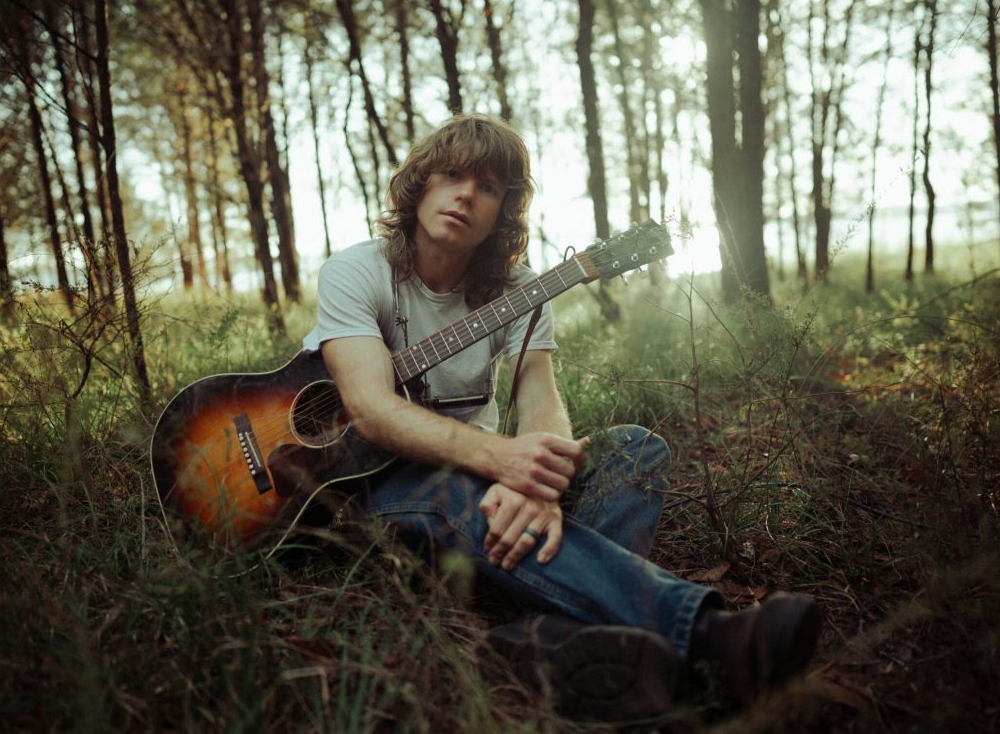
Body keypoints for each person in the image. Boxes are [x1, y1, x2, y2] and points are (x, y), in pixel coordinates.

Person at [301, 113, 820, 721]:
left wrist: (539, 480)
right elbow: (370, 409)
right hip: (373, 481)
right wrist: (505, 461)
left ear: (503, 210)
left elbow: (539, 396)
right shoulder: (357, 271)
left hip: (488, 476)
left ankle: (543, 640)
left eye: (488, 187)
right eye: (451, 176)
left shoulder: (521, 289)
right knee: (451, 490)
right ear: (420, 183)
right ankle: (709, 636)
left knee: (634, 448)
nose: (465, 195)